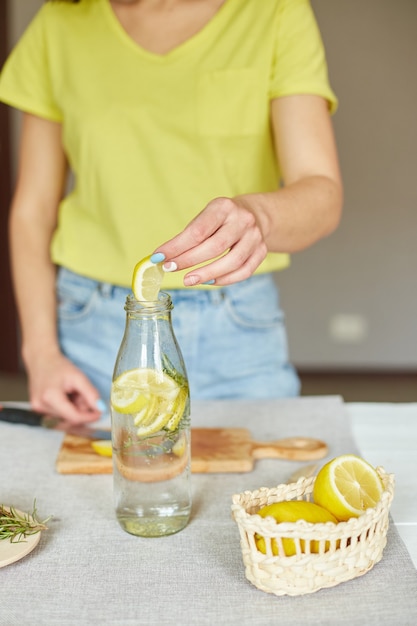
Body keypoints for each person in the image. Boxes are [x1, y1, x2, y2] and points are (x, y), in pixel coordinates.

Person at [0, 0, 343, 424]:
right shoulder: (60, 23)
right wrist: (41, 352)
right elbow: (32, 211)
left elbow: (322, 194)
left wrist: (259, 215)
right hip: (96, 325)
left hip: (236, 324)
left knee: (269, 485)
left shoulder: (275, 12)